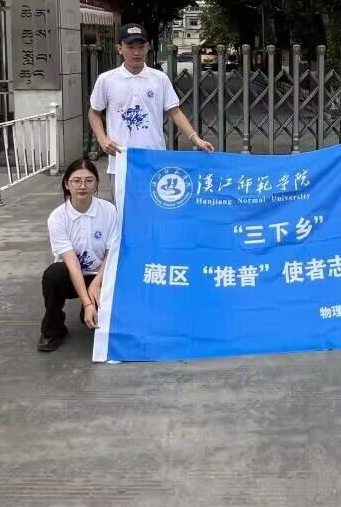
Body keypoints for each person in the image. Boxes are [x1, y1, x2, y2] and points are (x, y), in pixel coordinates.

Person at [88, 23, 213, 197]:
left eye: (141, 47)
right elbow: (94, 112)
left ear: (148, 48)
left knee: (157, 208)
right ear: (119, 48)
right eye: (130, 47)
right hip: (121, 160)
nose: (136, 53)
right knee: (123, 211)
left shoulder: (159, 79)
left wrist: (195, 138)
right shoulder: (106, 80)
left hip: (155, 159)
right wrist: (102, 139)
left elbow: (175, 111)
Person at [40, 159, 119, 352]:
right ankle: (53, 329)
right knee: (53, 274)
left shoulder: (109, 210)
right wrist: (87, 301)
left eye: (89, 180)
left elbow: (112, 253)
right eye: (76, 181)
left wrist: (96, 284)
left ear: (97, 184)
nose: (82, 186)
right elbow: (72, 263)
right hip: (72, 275)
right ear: (67, 184)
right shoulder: (58, 217)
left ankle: (94, 308)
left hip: (101, 275)